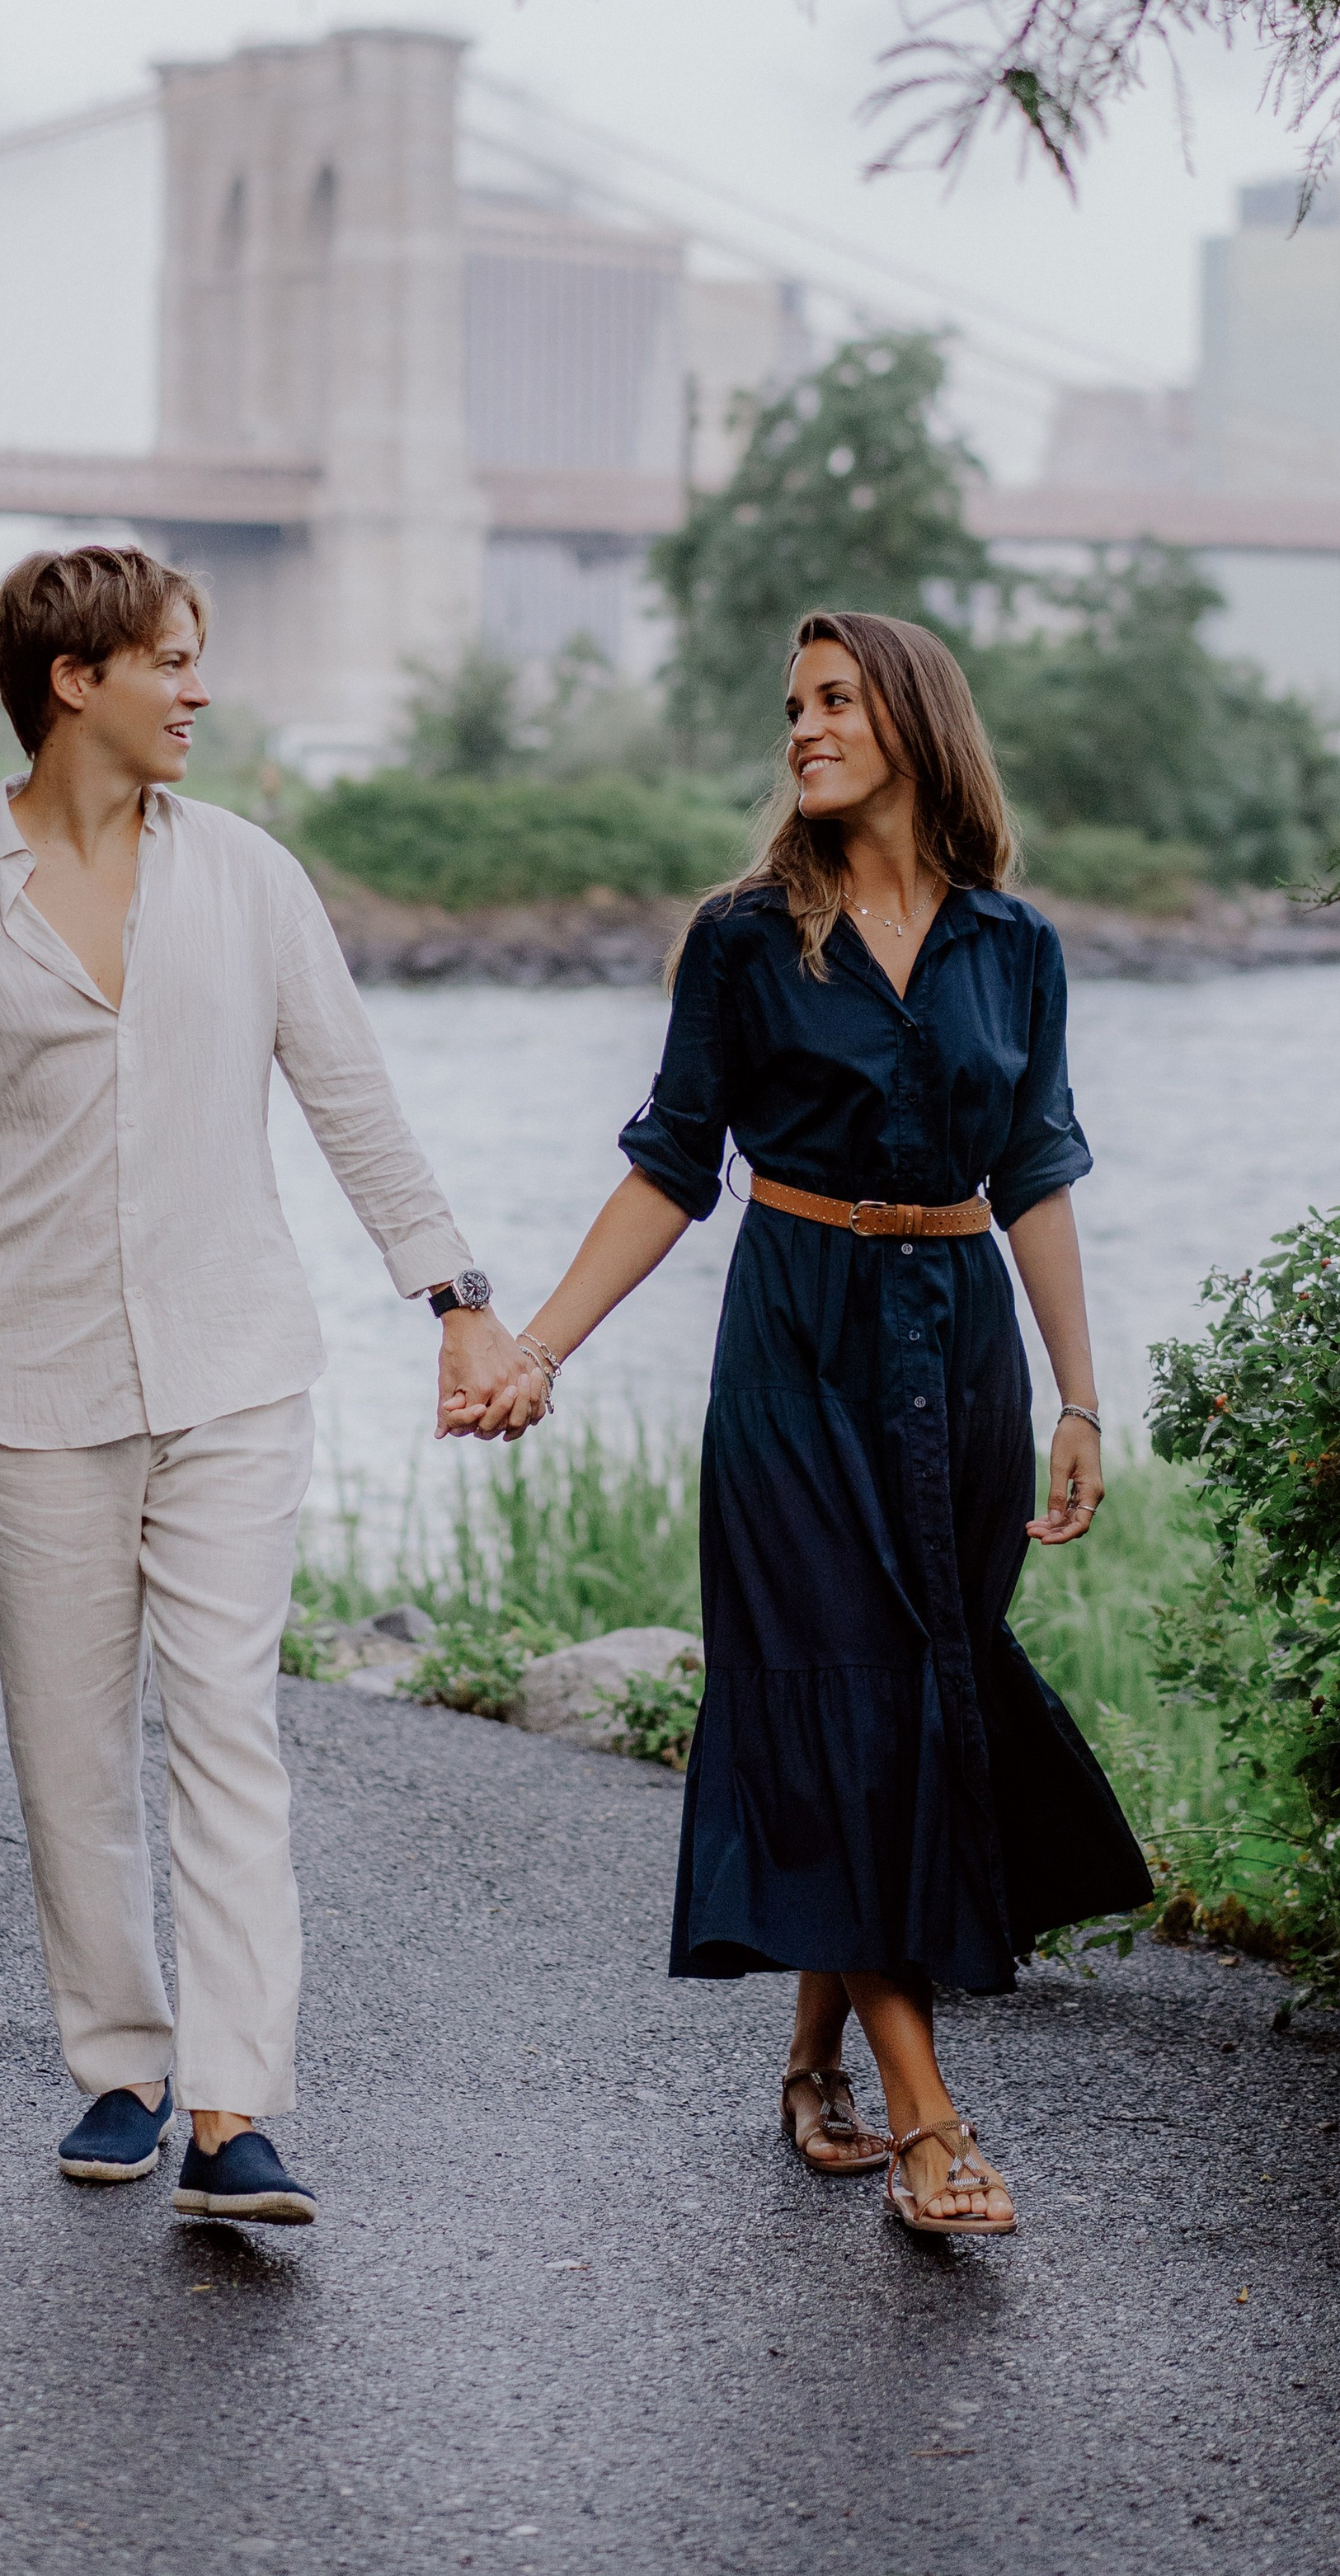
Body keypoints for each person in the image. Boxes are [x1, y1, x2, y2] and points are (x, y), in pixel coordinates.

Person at [0, 546, 527, 2227]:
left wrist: (454, 1296)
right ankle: (122, 2067)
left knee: (226, 1723)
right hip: (35, 1384)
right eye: (172, 661)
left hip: (235, 1369)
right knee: (68, 1750)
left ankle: (230, 2109)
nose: (199, 689)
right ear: (77, 682)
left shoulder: (253, 879)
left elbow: (351, 1100)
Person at [485, 609, 1152, 2235]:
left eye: (836, 698)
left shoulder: (1014, 944)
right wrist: (541, 1347)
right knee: (832, 1701)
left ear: (914, 718)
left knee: (909, 1710)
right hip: (793, 1348)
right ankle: (930, 2128)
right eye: (791, 705)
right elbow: (668, 1161)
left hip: (961, 1361)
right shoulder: (743, 937)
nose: (802, 726)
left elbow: (1039, 1168)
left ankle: (813, 2060)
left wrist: (1077, 1394)